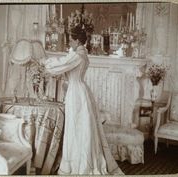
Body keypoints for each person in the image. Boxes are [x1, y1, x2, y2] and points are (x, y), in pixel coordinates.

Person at [43, 25, 123, 175]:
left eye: (71, 41)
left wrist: (44, 62)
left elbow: (60, 65)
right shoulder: (82, 53)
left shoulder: (77, 55)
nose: (69, 43)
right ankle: (77, 160)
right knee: (80, 127)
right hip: (80, 90)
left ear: (78, 41)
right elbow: (65, 64)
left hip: (76, 93)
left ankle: (80, 164)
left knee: (77, 128)